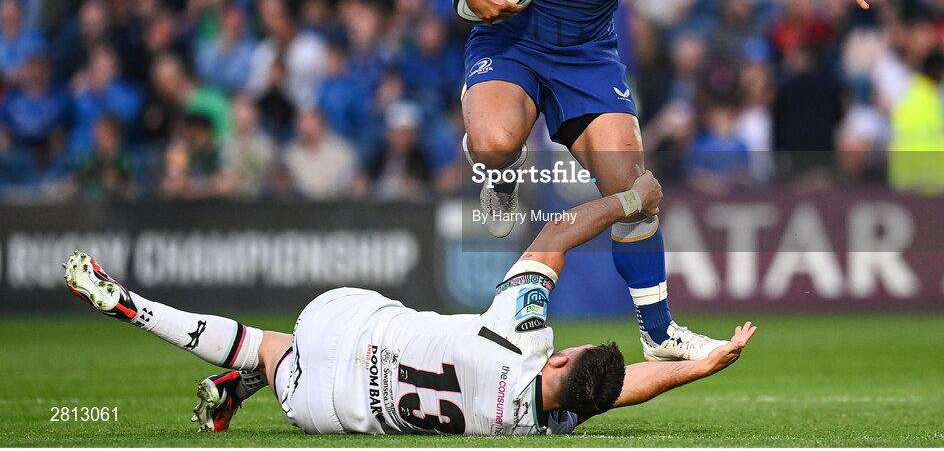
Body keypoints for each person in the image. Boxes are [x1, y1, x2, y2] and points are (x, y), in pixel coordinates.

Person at [421, 0, 893, 360]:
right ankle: (499, 173)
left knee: (634, 193)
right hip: (511, 43)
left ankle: (659, 332)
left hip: (588, 59)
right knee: (496, 145)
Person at [64, 171, 757, 437]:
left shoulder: (524, 340)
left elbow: (554, 235)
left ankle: (144, 312)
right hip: (327, 413)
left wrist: (630, 200)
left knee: (276, 337)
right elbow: (625, 389)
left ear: (558, 364)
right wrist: (703, 365)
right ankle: (244, 374)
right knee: (269, 352)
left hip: (344, 323)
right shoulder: (534, 429)